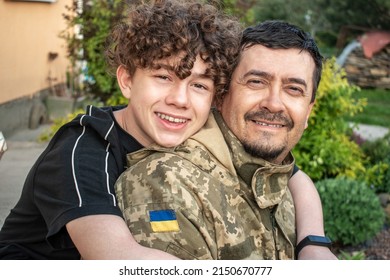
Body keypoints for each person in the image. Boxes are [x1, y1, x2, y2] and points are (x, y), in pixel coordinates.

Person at [0, 0, 333, 260]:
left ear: (215, 96)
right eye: (163, 77)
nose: (180, 100)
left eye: (199, 85)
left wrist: (314, 242)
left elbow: (293, 176)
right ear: (127, 80)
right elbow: (117, 258)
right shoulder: (83, 150)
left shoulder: (189, 123)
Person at [115, 20, 337, 259]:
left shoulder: (276, 178)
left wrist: (314, 241)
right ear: (220, 96)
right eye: (256, 82)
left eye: (293, 89)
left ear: (308, 111)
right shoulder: (167, 182)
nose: (273, 103)